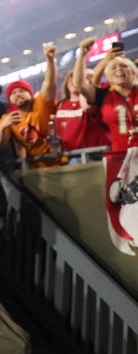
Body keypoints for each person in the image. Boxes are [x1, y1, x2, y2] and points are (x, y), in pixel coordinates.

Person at [74, 37, 138, 253]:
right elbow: (81, 85)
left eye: (124, 65)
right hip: (120, 160)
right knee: (124, 204)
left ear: (134, 72)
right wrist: (83, 54)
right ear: (109, 77)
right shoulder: (103, 96)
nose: (119, 69)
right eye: (114, 67)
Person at [0, 44, 65, 169]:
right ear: (9, 100)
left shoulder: (41, 103)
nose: (18, 94)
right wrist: (3, 127)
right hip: (37, 170)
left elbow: (49, 82)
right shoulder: (8, 119)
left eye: (22, 91)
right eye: (13, 93)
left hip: (62, 162)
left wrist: (50, 60)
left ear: (30, 94)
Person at [54, 66, 110, 159]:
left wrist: (84, 86)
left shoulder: (92, 100)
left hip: (94, 154)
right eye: (72, 77)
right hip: (69, 156)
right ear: (67, 82)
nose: (74, 81)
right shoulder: (60, 105)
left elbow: (88, 107)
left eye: (79, 78)